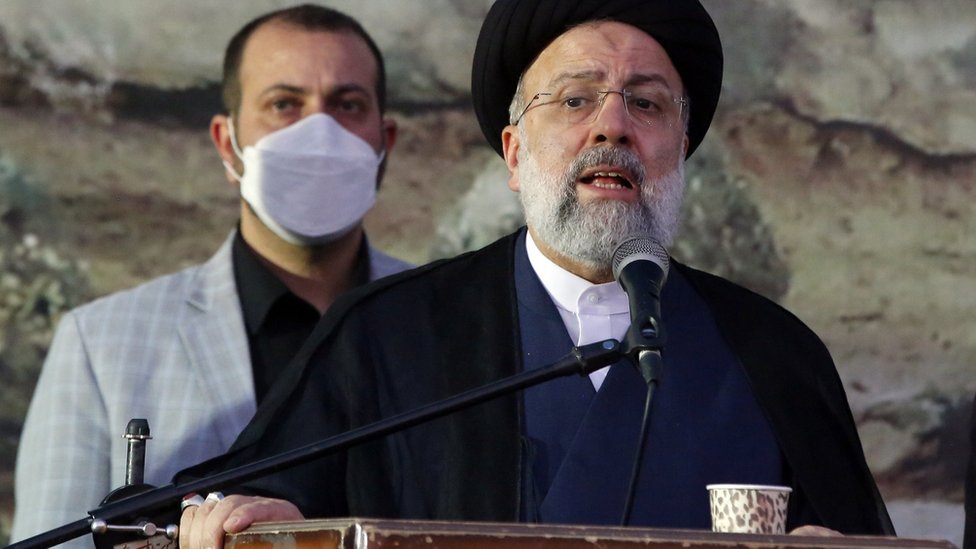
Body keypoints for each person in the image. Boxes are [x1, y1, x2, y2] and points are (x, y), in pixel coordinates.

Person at [177, 0, 895, 547]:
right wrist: (258, 524)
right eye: (576, 99)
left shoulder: (775, 354)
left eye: (646, 103)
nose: (612, 125)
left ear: (680, 150)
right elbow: (259, 506)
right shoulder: (387, 334)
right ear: (516, 154)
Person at [11, 4, 411, 546]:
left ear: (384, 142)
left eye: (348, 104)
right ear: (228, 144)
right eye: (284, 104)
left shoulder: (451, 324)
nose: (319, 132)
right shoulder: (100, 346)